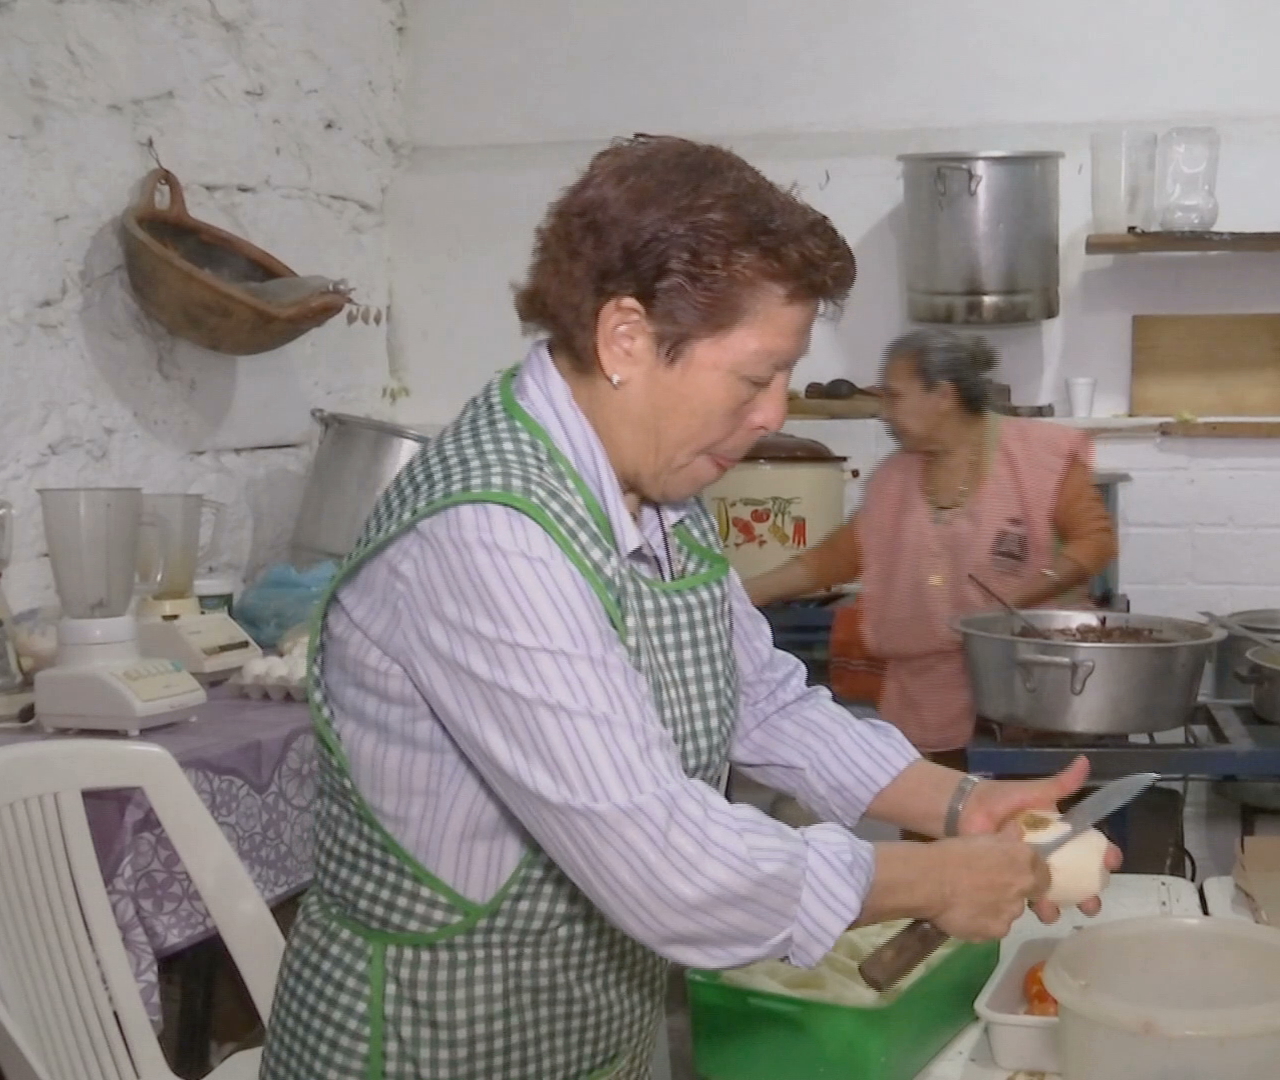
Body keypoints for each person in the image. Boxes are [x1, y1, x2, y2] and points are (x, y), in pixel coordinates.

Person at [260, 136, 1111, 1080]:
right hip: (429, 1050)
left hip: (585, 1033)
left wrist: (962, 804)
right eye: (755, 378)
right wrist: (930, 879)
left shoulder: (656, 487)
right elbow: (670, 868)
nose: (774, 414)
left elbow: (762, 702)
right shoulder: (489, 537)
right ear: (627, 339)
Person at [745, 331, 1118, 767]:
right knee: (937, 826)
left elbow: (1095, 541)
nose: (885, 413)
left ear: (943, 395)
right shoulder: (895, 477)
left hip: (1032, 684)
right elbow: (840, 557)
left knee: (1039, 827)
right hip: (927, 696)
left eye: (895, 398)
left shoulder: (1039, 454)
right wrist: (745, 593)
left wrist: (1018, 600)